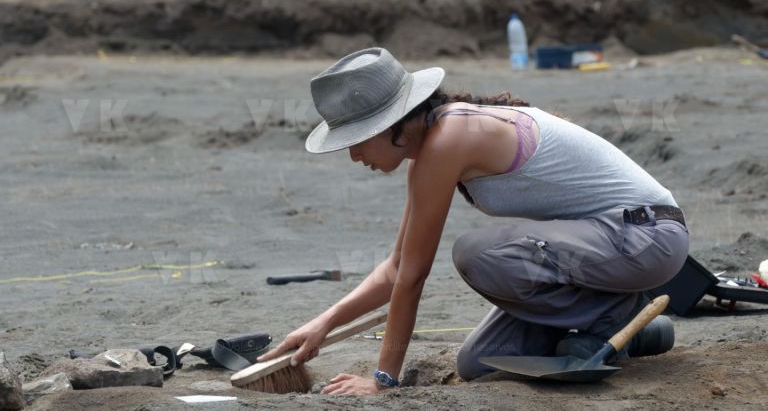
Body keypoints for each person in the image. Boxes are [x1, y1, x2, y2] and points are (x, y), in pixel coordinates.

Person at [256, 47, 689, 395]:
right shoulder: (429, 151)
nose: (353, 156)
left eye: (356, 141)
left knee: (477, 254)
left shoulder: (449, 139)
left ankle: (618, 311)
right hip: (604, 249)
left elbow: (412, 277)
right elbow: (395, 268)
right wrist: (323, 323)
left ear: (391, 125)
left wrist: (383, 379)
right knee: (479, 360)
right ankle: (636, 333)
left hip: (648, 236)